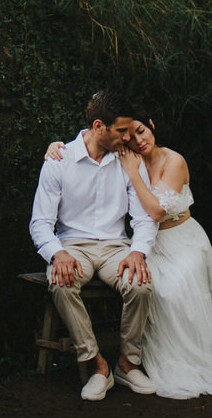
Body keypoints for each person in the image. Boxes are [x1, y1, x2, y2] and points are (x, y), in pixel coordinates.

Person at [46, 107, 212, 399]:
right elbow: (85, 149)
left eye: (140, 131)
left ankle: (173, 358)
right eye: (129, 136)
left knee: (167, 287)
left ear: (153, 126)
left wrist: (133, 175)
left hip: (181, 239)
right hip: (150, 243)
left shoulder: (169, 161)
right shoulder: (123, 158)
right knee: (155, 285)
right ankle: (110, 365)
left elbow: (155, 212)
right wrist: (58, 148)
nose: (136, 140)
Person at [28, 89, 159, 401]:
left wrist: (138, 251)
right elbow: (40, 222)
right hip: (74, 247)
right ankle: (96, 365)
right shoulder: (59, 160)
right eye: (122, 130)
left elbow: (143, 217)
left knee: (140, 284)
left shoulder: (129, 160)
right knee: (60, 282)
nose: (128, 137)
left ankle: (127, 365)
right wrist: (56, 252)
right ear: (99, 126)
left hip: (117, 248)